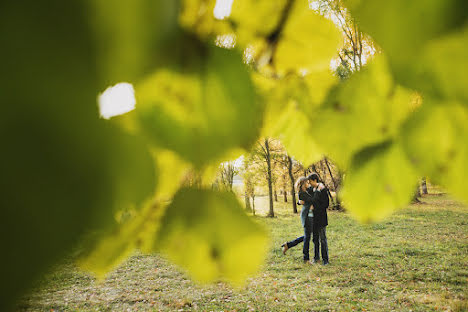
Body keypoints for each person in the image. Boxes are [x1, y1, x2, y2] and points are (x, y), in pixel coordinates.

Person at [281, 177, 315, 263]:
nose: (308, 184)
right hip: (306, 215)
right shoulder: (302, 193)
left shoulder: (306, 191)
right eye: (307, 183)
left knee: (307, 235)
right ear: (303, 184)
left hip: (310, 214)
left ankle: (288, 245)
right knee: (307, 237)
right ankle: (306, 258)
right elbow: (307, 201)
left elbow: (313, 190)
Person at [308, 173, 329, 265]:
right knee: (315, 239)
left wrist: (315, 208)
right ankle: (316, 258)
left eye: (310, 181)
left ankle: (325, 260)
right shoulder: (312, 190)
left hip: (321, 218)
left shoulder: (322, 190)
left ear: (315, 180)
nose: (309, 183)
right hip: (314, 219)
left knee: (323, 239)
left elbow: (326, 204)